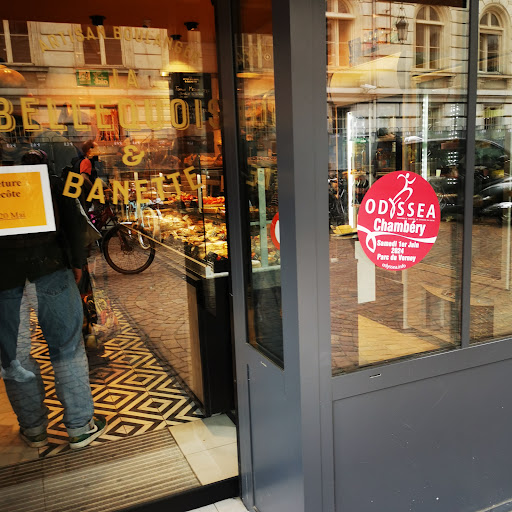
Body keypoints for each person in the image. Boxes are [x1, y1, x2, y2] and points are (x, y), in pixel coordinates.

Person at [0, 149, 106, 449]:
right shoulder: (48, 178)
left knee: (14, 354)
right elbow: (73, 222)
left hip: (3, 277)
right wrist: (77, 262)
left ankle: (33, 428)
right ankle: (79, 426)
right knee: (67, 347)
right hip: (50, 267)